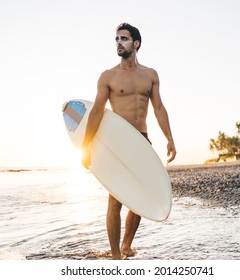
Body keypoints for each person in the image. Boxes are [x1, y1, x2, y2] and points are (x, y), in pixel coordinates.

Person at [81, 23, 176, 260]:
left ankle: (126, 244)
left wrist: (169, 139)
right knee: (115, 200)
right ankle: (115, 255)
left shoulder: (150, 75)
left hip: (142, 142)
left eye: (123, 39)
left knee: (140, 197)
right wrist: (85, 146)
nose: (118, 43)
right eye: (116, 39)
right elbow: (96, 112)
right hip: (118, 144)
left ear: (136, 43)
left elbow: (159, 108)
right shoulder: (108, 76)